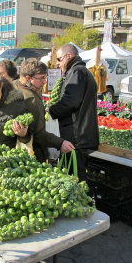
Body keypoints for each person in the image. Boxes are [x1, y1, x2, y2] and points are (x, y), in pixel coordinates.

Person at [49, 44, 99, 182]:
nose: (57, 64)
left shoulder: (76, 72)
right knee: (75, 174)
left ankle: (84, 203)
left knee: (76, 177)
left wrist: (52, 110)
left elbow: (71, 102)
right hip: (80, 133)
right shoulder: (80, 71)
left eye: (59, 59)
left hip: (77, 135)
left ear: (68, 56)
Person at [13, 58, 74, 163]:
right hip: (30, 154)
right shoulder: (31, 99)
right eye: (41, 78)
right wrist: (60, 143)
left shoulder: (14, 85)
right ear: (28, 77)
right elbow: (38, 134)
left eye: (45, 77)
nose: (44, 81)